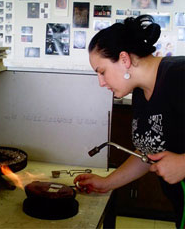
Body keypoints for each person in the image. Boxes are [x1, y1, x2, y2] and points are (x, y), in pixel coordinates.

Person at [74, 15, 185, 229]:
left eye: (102, 72)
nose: (101, 83)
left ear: (124, 59)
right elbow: (146, 153)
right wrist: (107, 183)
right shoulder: (140, 93)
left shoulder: (179, 76)